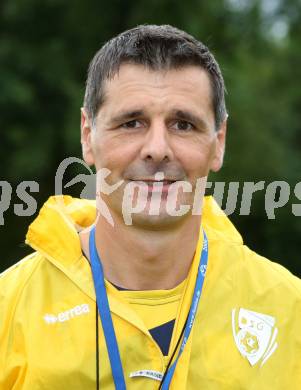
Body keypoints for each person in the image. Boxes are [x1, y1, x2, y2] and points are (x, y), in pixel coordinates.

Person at [0, 24, 300, 390]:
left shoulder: (289, 311)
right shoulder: (8, 308)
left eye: (183, 124)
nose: (157, 148)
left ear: (218, 143)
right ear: (87, 136)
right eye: (132, 122)